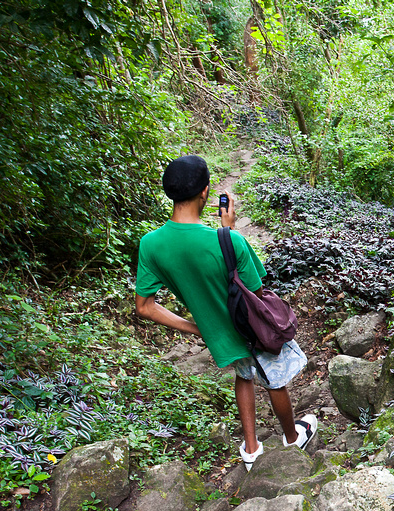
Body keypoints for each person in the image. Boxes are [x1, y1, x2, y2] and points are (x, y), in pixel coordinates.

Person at [134, 154, 316, 469]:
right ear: (206, 192)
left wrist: (197, 328)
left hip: (219, 334)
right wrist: (229, 232)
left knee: (243, 375)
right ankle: (291, 437)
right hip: (249, 326)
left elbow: (144, 307)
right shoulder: (227, 240)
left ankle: (251, 448)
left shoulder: (150, 244)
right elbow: (257, 293)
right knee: (274, 380)